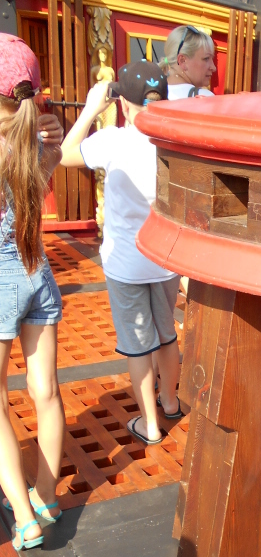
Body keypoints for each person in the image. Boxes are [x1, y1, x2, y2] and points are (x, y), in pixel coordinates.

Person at [60, 61, 182, 446]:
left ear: (123, 104)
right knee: (167, 335)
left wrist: (90, 109)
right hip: (166, 259)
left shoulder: (112, 141)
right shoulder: (174, 141)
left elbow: (64, 154)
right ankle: (171, 401)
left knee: (137, 345)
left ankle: (149, 425)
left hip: (126, 264)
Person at [0, 35, 66, 551]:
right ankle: (46, 496)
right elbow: (54, 155)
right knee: (46, 391)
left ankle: (24, 518)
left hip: (1, 284)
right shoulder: (43, 142)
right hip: (37, 272)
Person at [160, 25, 217, 99]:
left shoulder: (153, 93)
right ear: (182, 61)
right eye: (206, 59)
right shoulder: (205, 97)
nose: (213, 68)